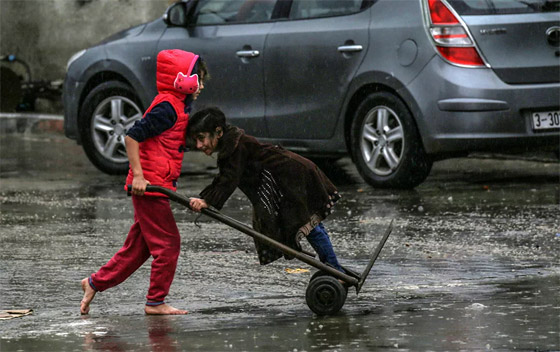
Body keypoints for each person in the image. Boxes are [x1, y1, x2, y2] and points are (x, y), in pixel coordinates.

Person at [80, 49, 208, 315]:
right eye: (198, 79)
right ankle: (155, 302)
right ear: (182, 79)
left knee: (138, 250)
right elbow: (132, 137)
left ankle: (94, 282)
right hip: (149, 187)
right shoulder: (167, 108)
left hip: (157, 185)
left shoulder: (177, 106)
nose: (201, 86)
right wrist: (138, 175)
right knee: (168, 245)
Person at [187, 107, 345, 273]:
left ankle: (334, 269)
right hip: (290, 176)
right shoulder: (233, 144)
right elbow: (226, 177)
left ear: (218, 132)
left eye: (201, 138)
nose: (199, 145)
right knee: (311, 223)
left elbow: (228, 179)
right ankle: (332, 266)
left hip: (291, 177)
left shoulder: (234, 148)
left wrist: (207, 201)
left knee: (307, 223)